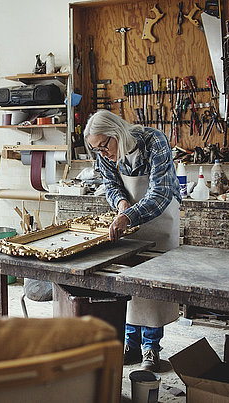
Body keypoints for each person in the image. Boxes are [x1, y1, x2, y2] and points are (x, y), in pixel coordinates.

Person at [83, 109, 181, 372]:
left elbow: (160, 194)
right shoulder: (104, 154)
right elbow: (112, 186)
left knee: (153, 289)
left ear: (117, 133)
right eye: (97, 150)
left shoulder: (154, 141)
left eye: (105, 145)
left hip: (160, 221)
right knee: (127, 285)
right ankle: (130, 345)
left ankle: (151, 349)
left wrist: (128, 215)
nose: (103, 153)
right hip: (129, 222)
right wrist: (122, 202)